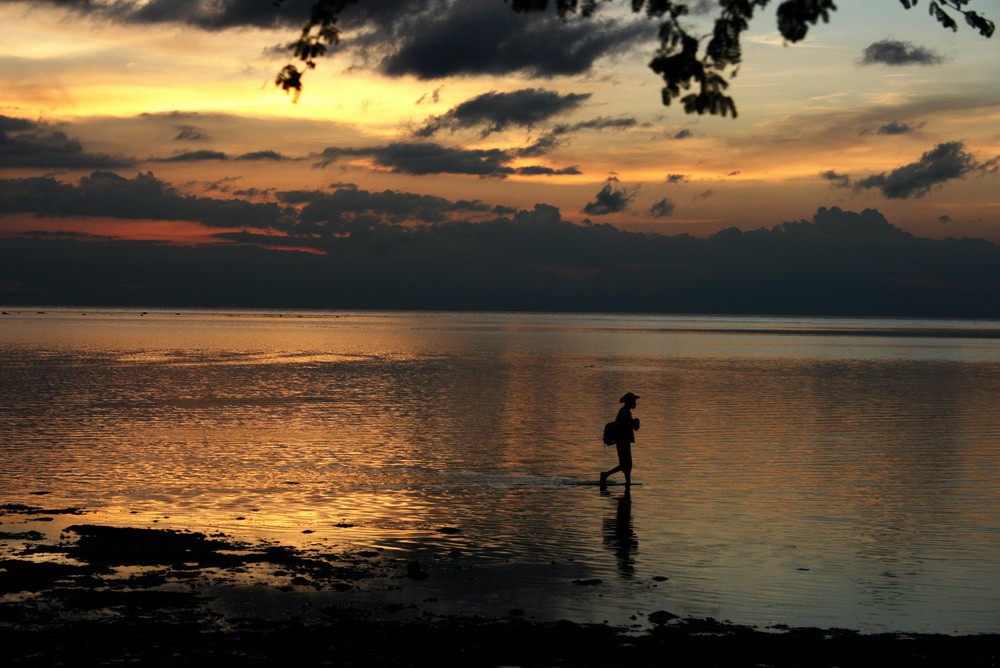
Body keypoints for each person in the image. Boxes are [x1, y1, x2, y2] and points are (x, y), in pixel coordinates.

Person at [600, 392, 640, 488]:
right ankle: (605, 475)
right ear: (629, 402)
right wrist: (634, 422)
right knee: (625, 464)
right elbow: (624, 426)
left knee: (627, 465)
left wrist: (633, 422)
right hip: (622, 442)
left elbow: (629, 426)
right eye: (634, 401)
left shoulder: (626, 412)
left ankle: (627, 483)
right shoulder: (624, 412)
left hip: (624, 441)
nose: (635, 403)